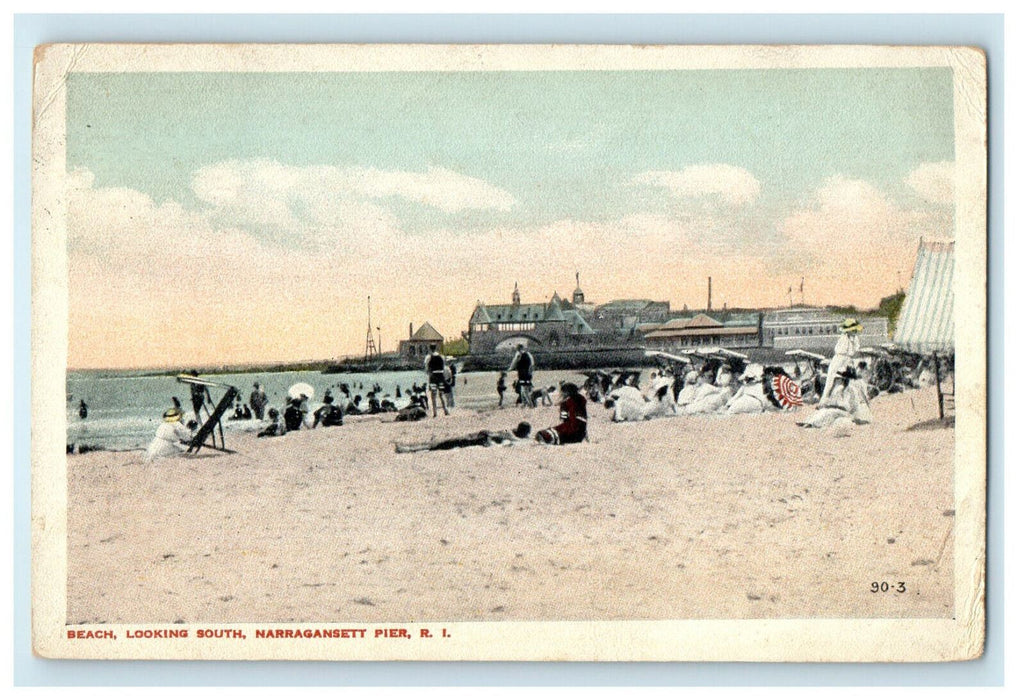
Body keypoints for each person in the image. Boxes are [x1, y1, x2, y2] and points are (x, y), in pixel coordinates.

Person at [396, 422, 532, 453]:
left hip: (474, 439)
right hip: (474, 438)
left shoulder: (509, 434)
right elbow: (519, 440)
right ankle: (408, 447)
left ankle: (407, 449)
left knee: (440, 445)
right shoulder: (510, 435)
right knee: (440, 444)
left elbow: (517, 440)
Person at [821, 318, 863, 401]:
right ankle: (825, 398)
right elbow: (842, 352)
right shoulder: (843, 338)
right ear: (848, 331)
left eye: (855, 330)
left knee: (854, 377)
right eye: (853, 330)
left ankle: (856, 397)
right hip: (839, 359)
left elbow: (855, 350)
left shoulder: (855, 338)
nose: (854, 331)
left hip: (848, 359)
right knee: (831, 378)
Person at [424, 344, 450, 417]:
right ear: (436, 348)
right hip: (440, 375)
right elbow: (444, 366)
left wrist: (429, 373)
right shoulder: (441, 357)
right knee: (441, 394)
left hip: (433, 376)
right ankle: (445, 410)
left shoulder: (428, 357)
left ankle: (435, 413)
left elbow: (426, 368)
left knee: (433, 395)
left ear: (430, 348)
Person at [508, 343, 536, 408]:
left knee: (524, 389)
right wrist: (531, 372)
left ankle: (530, 404)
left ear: (518, 348)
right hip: (528, 374)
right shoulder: (528, 354)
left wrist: (510, 369)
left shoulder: (518, 354)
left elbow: (514, 363)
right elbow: (532, 364)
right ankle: (524, 403)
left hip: (522, 374)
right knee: (523, 389)